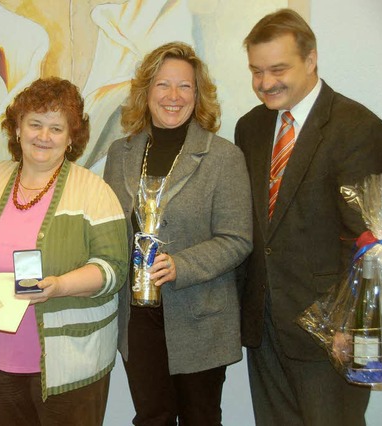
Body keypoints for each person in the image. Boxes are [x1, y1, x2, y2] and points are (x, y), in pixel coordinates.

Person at [0, 77, 128, 426]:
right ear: (17, 128)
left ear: (72, 137)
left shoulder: (95, 192)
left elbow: (112, 268)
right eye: (34, 124)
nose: (43, 136)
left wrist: (60, 285)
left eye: (56, 128)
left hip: (71, 365)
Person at [235, 8, 382, 426]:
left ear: (312, 59)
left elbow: (369, 242)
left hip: (328, 338)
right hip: (264, 329)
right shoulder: (250, 127)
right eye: (256, 71)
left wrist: (354, 331)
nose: (265, 83)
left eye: (278, 69)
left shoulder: (358, 128)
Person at [103, 42, 253, 426]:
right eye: (162, 85)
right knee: (151, 418)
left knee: (201, 419)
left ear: (198, 95)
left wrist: (180, 265)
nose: (173, 96)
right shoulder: (120, 153)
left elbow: (237, 238)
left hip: (200, 314)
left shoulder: (223, 157)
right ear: (146, 92)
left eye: (184, 87)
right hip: (138, 318)